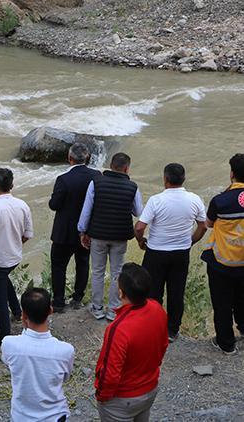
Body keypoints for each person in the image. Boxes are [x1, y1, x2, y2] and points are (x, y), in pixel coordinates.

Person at [135, 163, 207, 342]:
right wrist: (191, 241)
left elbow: (139, 227)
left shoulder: (156, 200)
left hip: (156, 252)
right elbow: (203, 225)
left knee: (153, 292)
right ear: (183, 179)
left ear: (165, 179)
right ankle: (172, 331)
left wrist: (141, 241)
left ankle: (154, 327)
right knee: (176, 292)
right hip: (181, 253)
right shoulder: (194, 199)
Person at [94, 263, 168, 422]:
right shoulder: (157, 309)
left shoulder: (118, 329)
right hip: (149, 389)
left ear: (121, 293)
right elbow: (162, 346)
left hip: (122, 401)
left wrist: (102, 396)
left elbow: (110, 373)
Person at [79, 153, 143, 321]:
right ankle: (114, 310)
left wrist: (82, 231)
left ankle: (97, 308)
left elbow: (86, 210)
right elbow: (138, 212)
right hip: (120, 236)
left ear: (110, 165)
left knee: (98, 271)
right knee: (117, 272)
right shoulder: (133, 187)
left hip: (98, 235)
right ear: (127, 168)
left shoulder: (96, 182)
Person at [2, 288, 75, 421]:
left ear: (23, 315)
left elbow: (9, 364)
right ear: (50, 311)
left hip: (21, 417)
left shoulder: (9, 344)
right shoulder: (65, 351)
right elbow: (65, 377)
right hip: (55, 417)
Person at [0, 168, 33, 345]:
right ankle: (17, 312)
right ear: (12, 185)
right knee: (3, 278)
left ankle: (4, 334)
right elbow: (27, 234)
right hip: (15, 256)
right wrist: (15, 244)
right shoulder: (22, 205)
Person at [49, 143, 101, 312]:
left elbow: (54, 205)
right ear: (87, 158)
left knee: (58, 265)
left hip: (64, 231)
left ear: (69, 158)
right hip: (86, 231)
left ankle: (58, 301)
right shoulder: (96, 176)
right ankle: (78, 298)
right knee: (83, 263)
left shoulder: (63, 179)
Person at [202, 153, 244, 355]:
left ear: (232, 174)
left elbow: (209, 224)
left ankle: (226, 343)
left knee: (222, 303)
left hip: (222, 261)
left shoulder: (220, 200)